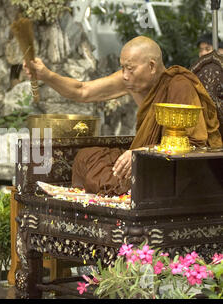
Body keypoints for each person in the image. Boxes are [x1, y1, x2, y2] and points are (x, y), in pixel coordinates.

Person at [24, 36, 222, 195]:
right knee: (86, 156)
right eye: (122, 68)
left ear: (152, 66)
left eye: (130, 68)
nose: (125, 75)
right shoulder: (131, 81)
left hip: (168, 165)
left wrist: (142, 152)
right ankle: (116, 189)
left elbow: (194, 144)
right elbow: (81, 91)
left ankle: (119, 191)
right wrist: (46, 75)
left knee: (147, 175)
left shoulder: (179, 85)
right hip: (142, 156)